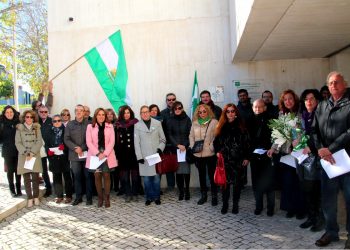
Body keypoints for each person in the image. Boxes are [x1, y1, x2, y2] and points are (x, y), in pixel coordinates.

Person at [311, 72, 350, 248]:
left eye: (337, 82)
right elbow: (314, 131)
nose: (333, 85)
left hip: (346, 160)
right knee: (328, 199)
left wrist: (330, 148)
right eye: (331, 83)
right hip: (328, 162)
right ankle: (331, 232)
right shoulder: (321, 106)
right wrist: (321, 149)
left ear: (345, 84)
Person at [267, 89, 306, 219]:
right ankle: (290, 208)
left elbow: (305, 132)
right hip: (286, 154)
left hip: (300, 153)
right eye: (285, 99)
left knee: (299, 182)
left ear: (294, 100)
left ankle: (301, 209)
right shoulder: (281, 115)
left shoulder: (301, 114)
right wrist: (273, 148)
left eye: (290, 98)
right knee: (288, 182)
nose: (288, 101)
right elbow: (277, 135)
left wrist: (298, 143)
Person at [213, 104, 250, 214]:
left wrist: (247, 157)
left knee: (237, 184)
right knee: (225, 184)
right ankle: (225, 205)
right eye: (228, 111)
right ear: (225, 113)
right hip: (225, 160)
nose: (230, 113)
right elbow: (216, 142)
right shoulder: (221, 126)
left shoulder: (242, 126)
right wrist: (217, 152)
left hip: (238, 160)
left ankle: (235, 205)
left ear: (236, 112)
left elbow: (247, 143)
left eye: (232, 111)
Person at [296, 89, 324, 232]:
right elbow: (297, 135)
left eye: (312, 98)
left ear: (317, 100)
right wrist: (295, 142)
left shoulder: (322, 115)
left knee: (316, 189)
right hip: (303, 157)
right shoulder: (301, 116)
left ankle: (320, 219)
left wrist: (311, 147)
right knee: (307, 188)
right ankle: (311, 217)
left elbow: (322, 136)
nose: (309, 101)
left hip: (317, 157)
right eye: (306, 99)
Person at [86, 108, 117, 208]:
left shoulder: (110, 126)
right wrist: (97, 153)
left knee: (107, 176)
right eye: (99, 114)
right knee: (97, 176)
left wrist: (105, 153)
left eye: (103, 114)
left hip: (107, 155)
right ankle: (100, 198)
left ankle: (107, 197)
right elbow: (88, 142)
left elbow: (112, 142)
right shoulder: (90, 126)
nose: (101, 116)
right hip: (95, 155)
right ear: (95, 116)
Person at [134, 105, 166, 206]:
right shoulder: (137, 125)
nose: (145, 114)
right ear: (140, 114)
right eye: (142, 112)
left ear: (149, 112)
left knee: (156, 179)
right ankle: (148, 197)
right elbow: (136, 143)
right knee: (147, 180)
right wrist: (139, 157)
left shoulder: (157, 123)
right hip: (144, 158)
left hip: (155, 156)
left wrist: (160, 149)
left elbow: (163, 139)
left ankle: (157, 197)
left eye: (146, 111)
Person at [189, 104, 218, 206]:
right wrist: (193, 146)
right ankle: (204, 195)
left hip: (210, 154)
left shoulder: (214, 122)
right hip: (198, 154)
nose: (202, 114)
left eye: (204, 111)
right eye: (200, 112)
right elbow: (191, 136)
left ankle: (214, 196)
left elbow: (217, 136)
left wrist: (211, 147)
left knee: (211, 176)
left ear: (208, 111)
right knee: (201, 176)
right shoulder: (195, 123)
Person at [250, 99, 275, 216]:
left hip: (268, 155)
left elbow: (276, 137)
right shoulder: (249, 120)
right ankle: (258, 205)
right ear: (252, 108)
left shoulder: (271, 119)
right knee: (256, 183)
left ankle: (271, 207)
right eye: (255, 107)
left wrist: (272, 149)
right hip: (254, 157)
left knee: (269, 183)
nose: (257, 109)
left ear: (265, 107)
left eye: (260, 107)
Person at [64, 104, 92, 206]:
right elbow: (66, 139)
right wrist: (75, 148)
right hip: (74, 155)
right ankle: (78, 197)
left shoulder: (89, 124)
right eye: (77, 110)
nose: (79, 112)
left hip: (86, 154)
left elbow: (90, 139)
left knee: (88, 176)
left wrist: (82, 148)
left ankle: (89, 198)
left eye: (81, 110)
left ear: (84, 112)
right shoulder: (70, 125)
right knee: (77, 177)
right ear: (75, 112)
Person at [15, 110, 43, 207]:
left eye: (31, 117)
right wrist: (26, 153)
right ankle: (29, 198)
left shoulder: (37, 128)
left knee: (35, 178)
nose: (29, 118)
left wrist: (32, 152)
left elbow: (39, 141)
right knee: (26, 179)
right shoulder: (19, 129)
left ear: (34, 118)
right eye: (27, 117)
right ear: (24, 118)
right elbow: (17, 142)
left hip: (35, 155)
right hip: (24, 156)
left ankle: (36, 197)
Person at [166, 101, 192, 200]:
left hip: (185, 149)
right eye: (175, 108)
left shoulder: (187, 119)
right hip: (175, 150)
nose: (177, 110)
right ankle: (181, 191)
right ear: (173, 110)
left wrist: (184, 145)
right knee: (178, 172)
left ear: (182, 108)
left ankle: (187, 191)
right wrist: (177, 145)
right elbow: (169, 135)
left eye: (179, 108)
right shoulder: (170, 120)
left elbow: (190, 134)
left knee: (186, 171)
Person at [46, 114, 73, 204]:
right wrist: (48, 151)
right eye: (55, 121)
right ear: (52, 122)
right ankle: (59, 195)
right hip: (53, 157)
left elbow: (69, 142)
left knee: (67, 177)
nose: (57, 122)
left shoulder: (66, 130)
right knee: (56, 177)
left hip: (64, 157)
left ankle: (69, 195)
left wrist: (64, 147)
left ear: (61, 121)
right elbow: (46, 144)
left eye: (58, 121)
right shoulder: (48, 131)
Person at [115, 106, 139, 202]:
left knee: (135, 175)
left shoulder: (136, 123)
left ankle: (135, 193)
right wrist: (117, 156)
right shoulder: (117, 125)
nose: (126, 115)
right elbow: (116, 142)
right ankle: (128, 193)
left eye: (128, 112)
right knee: (125, 175)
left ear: (131, 113)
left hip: (134, 153)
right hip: (122, 154)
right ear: (121, 114)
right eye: (124, 113)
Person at [0, 106, 21, 197]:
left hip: (18, 150)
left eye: (11, 112)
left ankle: (19, 189)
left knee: (18, 171)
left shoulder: (18, 122)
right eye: (7, 112)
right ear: (4, 114)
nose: (9, 114)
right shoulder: (1, 124)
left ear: (14, 112)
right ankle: (12, 190)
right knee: (10, 171)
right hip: (7, 150)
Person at [160, 93, 177, 191]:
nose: (171, 101)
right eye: (169, 99)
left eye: (173, 99)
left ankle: (176, 185)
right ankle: (170, 185)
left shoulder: (179, 111)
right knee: (167, 163)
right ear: (166, 101)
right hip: (166, 143)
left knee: (178, 164)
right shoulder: (162, 113)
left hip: (178, 143)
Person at [38, 105, 53, 197]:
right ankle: (48, 187)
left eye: (45, 112)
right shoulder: (36, 122)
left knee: (54, 169)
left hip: (51, 149)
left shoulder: (52, 121)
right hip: (41, 149)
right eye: (41, 112)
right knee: (43, 170)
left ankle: (57, 186)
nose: (43, 113)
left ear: (48, 112)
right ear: (38, 112)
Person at [106, 108, 120, 193]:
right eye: (108, 114)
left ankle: (116, 186)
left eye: (111, 114)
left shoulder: (117, 124)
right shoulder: (104, 125)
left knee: (116, 168)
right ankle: (110, 185)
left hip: (116, 148)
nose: (110, 115)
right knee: (108, 168)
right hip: (107, 149)